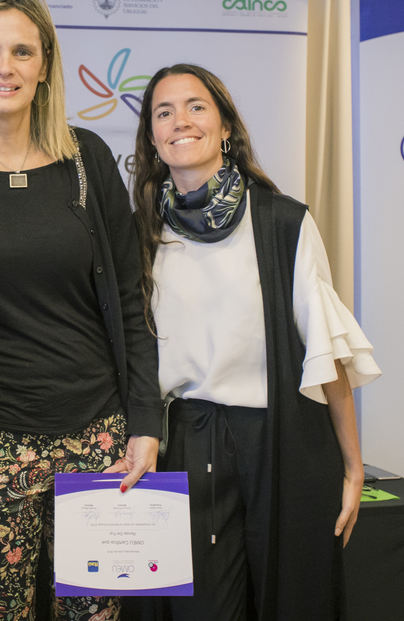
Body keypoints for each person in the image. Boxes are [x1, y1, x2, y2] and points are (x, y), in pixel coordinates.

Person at [0, 0, 161, 621]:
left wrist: (146, 422)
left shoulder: (86, 159)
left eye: (23, 51)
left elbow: (131, 301)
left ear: (45, 65)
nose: (5, 67)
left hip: (98, 437)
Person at [130, 63, 382, 620]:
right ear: (152, 138)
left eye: (196, 106)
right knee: (200, 609)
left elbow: (326, 349)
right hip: (186, 443)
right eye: (164, 113)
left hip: (282, 441)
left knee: (290, 600)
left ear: (225, 127)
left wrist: (353, 466)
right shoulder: (140, 234)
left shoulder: (283, 222)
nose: (180, 121)